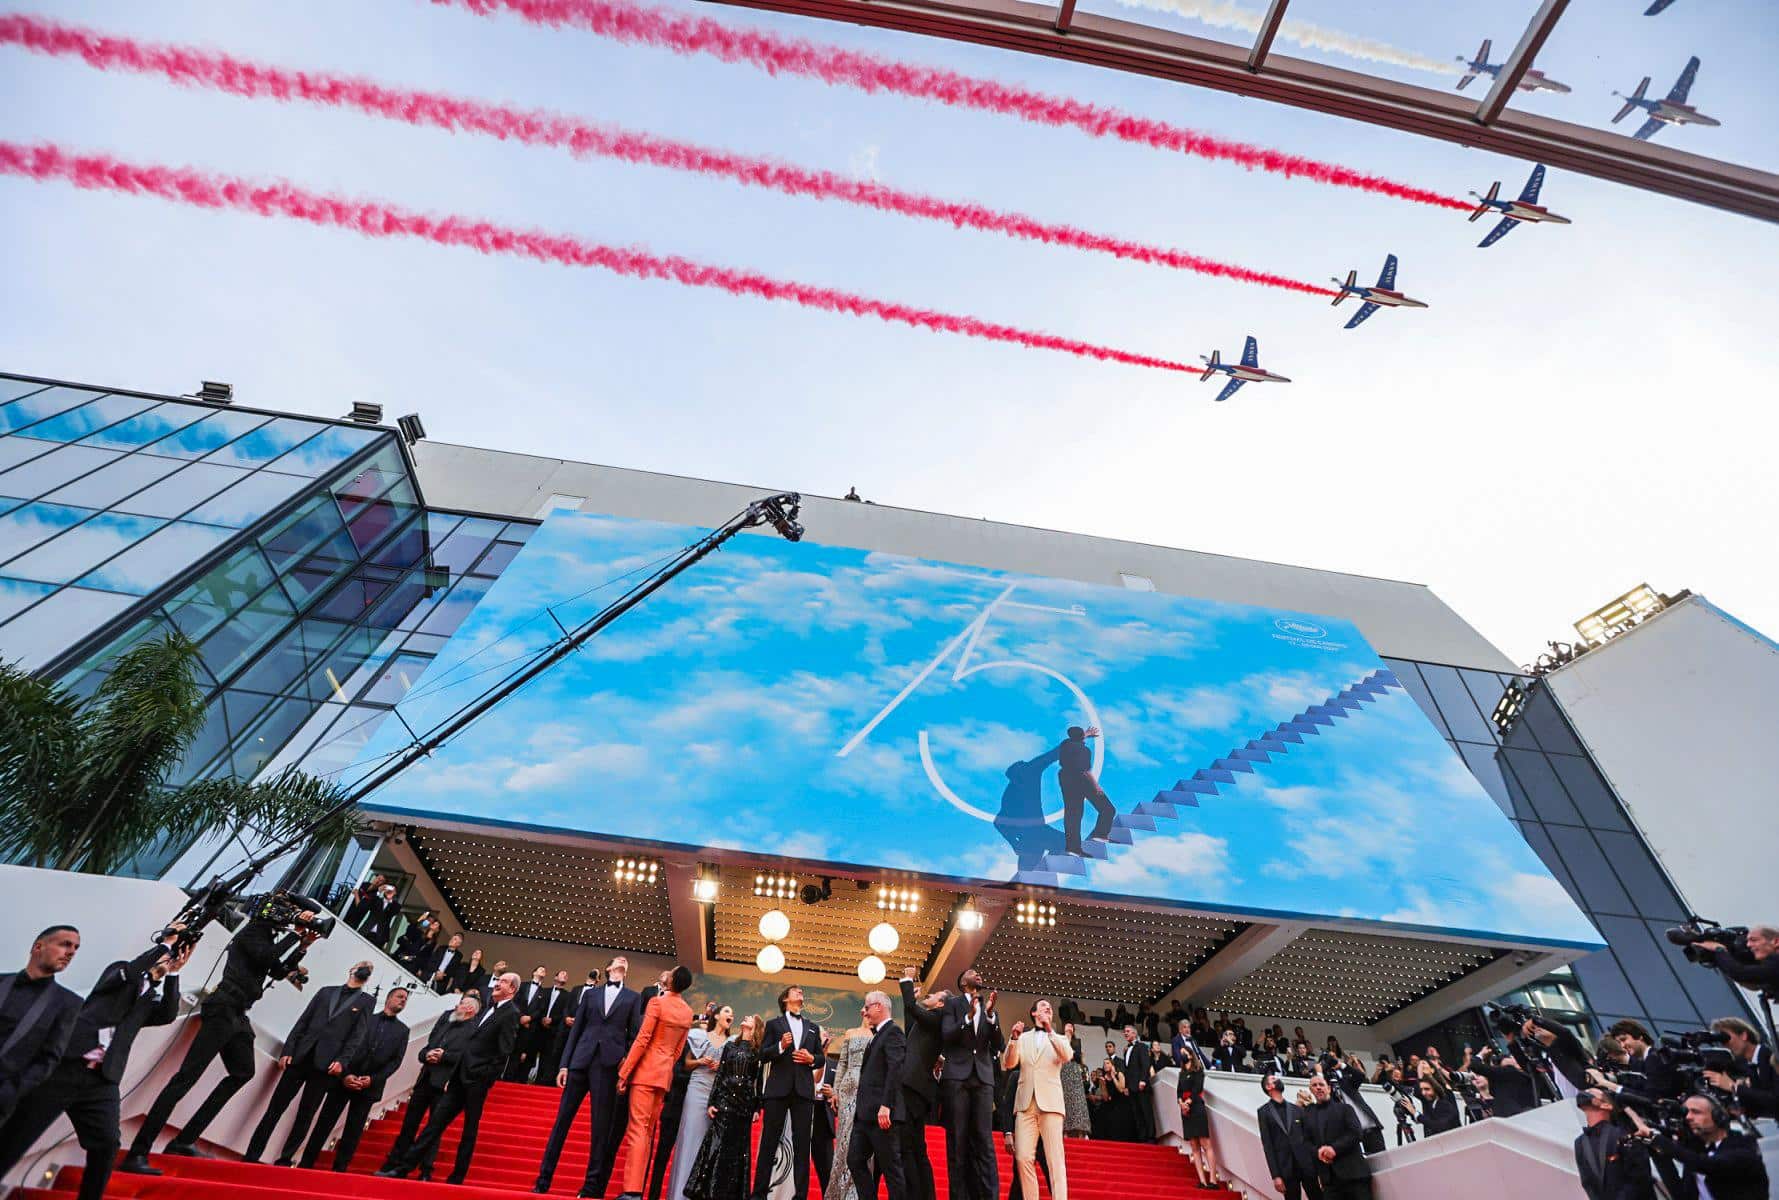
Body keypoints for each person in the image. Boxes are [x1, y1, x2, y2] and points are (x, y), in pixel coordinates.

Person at [122, 899, 319, 1171]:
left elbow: (277, 969)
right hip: (223, 1007)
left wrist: (303, 946)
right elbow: (266, 957)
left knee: (242, 1072)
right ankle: (137, 1153)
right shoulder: (251, 932)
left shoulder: (265, 937)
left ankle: (184, 1141)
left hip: (238, 1014)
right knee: (185, 1079)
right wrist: (296, 934)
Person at [0, 927, 182, 1200]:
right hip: (65, 1067)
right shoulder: (119, 972)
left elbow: (168, 1014)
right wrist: (164, 946)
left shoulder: (147, 1000)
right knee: (17, 1135)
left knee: (107, 1143)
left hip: (101, 1079)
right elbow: (131, 974)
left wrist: (174, 972)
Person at [378, 970, 520, 1184]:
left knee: (469, 1131)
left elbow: (504, 1052)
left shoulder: (511, 1013)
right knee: (434, 1124)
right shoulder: (488, 1009)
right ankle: (403, 1168)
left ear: (513, 989)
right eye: (498, 980)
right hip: (458, 1078)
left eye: (504, 982)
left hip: (476, 1082)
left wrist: (484, 1078)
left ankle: (457, 1177)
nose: (498, 983)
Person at [242, 958, 376, 1164]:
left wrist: (342, 1061)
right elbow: (303, 1021)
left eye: (370, 968)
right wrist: (288, 1050)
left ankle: (285, 1159)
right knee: (275, 1108)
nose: (365, 968)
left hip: (326, 1066)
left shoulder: (366, 1001)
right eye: (362, 965)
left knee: (305, 1115)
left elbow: (356, 1037)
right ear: (352, 968)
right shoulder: (326, 992)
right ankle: (252, 1154)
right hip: (300, 1057)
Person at [534, 954, 642, 1197]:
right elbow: (576, 1029)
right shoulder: (591, 994)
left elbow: (634, 1034)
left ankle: (591, 1187)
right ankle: (543, 1180)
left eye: (625, 961)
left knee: (600, 1129)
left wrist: (625, 1062)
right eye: (618, 959)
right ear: (608, 968)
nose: (622, 960)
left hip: (608, 1065)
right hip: (580, 1061)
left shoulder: (633, 998)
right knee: (562, 1122)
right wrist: (564, 1065)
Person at [297, 985, 411, 1173]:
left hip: (368, 1088)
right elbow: (345, 1046)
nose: (403, 1000)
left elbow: (394, 1063)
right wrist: (345, 1074)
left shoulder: (403, 1031)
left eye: (406, 999)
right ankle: (306, 1163)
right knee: (324, 1123)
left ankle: (340, 1168)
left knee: (354, 1130)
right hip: (343, 1080)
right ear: (389, 999)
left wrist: (372, 1080)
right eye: (400, 996)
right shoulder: (366, 1019)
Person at [614, 965, 696, 1200]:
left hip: (645, 1073)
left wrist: (625, 1073)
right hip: (664, 1075)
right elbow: (679, 1050)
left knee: (637, 1130)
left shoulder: (657, 1003)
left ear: (670, 980)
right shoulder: (687, 1012)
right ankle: (636, 1189)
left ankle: (632, 1190)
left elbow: (642, 1039)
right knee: (648, 1132)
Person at [377, 993, 480, 1179]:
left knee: (434, 1128)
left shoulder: (473, 1031)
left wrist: (445, 1056)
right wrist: (427, 1054)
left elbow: (467, 1059)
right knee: (409, 1124)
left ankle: (426, 1169)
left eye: (462, 1004)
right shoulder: (446, 1022)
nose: (457, 1006)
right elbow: (427, 1047)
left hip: (445, 1084)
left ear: (471, 1010)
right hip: (425, 1079)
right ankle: (394, 1163)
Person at [0, 925, 83, 1130]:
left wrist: (10, 1092)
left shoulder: (68, 1003)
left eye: (75, 948)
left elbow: (49, 1058)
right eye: (65, 944)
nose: (71, 952)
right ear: (38, 946)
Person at [753, 984, 825, 1200]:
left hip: (803, 1092)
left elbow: (820, 1057)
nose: (800, 992)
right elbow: (763, 1055)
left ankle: (800, 1196)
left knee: (802, 1146)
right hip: (777, 1090)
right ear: (785, 999)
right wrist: (781, 1046)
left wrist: (812, 1059)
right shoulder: (774, 1025)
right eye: (796, 990)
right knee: (768, 1143)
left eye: (801, 991)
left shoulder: (812, 1027)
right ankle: (758, 1195)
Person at [684, 1014, 765, 1200]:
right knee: (716, 1146)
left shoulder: (757, 1052)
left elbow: (757, 1082)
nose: (746, 1017)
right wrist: (712, 1102)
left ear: (756, 1027)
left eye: (751, 1018)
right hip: (725, 1102)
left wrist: (756, 1108)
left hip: (743, 1106)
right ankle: (709, 1192)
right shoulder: (730, 1046)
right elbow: (720, 1075)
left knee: (736, 1151)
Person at [1634, 1092, 1768, 1200]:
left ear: (1718, 1116)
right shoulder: (1697, 1146)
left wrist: (1657, 1139)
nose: (1688, 1117)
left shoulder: (1744, 1144)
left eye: (1696, 1112)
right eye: (1686, 1112)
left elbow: (1708, 1164)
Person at [940, 969, 1002, 1200]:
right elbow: (947, 1035)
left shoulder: (989, 1007)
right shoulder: (953, 1004)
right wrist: (967, 1018)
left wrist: (990, 1017)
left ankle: (989, 1195)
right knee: (957, 1140)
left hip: (983, 1078)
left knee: (984, 1140)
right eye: (972, 973)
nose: (978, 975)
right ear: (962, 982)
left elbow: (999, 1043)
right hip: (957, 1076)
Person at [1001, 1000, 1071, 1200]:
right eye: (1042, 1006)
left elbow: (1066, 1055)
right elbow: (1009, 1063)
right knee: (1023, 1158)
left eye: (1049, 1007)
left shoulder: (1058, 1038)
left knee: (1055, 1160)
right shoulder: (1022, 1038)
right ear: (1033, 1013)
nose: (1047, 1008)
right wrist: (1013, 1040)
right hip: (1025, 1105)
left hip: (1050, 1104)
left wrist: (1050, 1029)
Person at [846, 991, 908, 1200]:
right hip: (865, 1116)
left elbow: (895, 1070)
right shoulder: (877, 1035)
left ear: (879, 1007)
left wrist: (886, 1105)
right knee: (854, 1160)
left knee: (892, 1171)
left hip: (883, 1116)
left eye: (867, 1007)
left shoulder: (893, 1033)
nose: (864, 1011)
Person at [668, 1004, 733, 1200]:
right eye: (727, 1011)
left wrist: (721, 1066)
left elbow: (732, 1070)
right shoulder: (698, 1036)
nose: (731, 1015)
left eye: (731, 1013)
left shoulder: (732, 1042)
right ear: (716, 1015)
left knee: (710, 1145)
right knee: (690, 1139)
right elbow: (686, 1064)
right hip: (696, 1090)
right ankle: (680, 1193)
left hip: (718, 1095)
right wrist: (701, 1062)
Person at [897, 969, 947, 1200]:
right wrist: (913, 1002)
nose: (931, 994)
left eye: (935, 994)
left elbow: (910, 1008)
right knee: (914, 1146)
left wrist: (907, 980)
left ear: (940, 1004)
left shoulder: (937, 1019)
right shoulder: (928, 1022)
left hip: (914, 1088)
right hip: (913, 1087)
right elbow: (910, 1031)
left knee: (910, 1146)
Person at [828, 1007, 875, 1200]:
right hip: (847, 1089)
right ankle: (838, 1192)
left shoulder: (878, 1036)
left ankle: (856, 1193)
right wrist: (836, 1091)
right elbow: (842, 1064)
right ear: (862, 1012)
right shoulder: (850, 1033)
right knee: (844, 1140)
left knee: (861, 1139)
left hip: (867, 1090)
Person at [1299, 1075, 1370, 1200]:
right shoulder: (1307, 1115)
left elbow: (1356, 1133)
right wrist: (1318, 1152)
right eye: (1314, 1086)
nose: (1318, 1088)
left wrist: (1334, 1149)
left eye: (1321, 1084)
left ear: (1329, 1088)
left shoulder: (1345, 1108)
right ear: (1311, 1090)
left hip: (1354, 1175)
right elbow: (1306, 1142)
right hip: (1329, 1180)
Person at [1572, 1089, 1652, 1200]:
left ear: (1606, 1105)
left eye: (1592, 1091)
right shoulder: (1579, 1143)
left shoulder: (1625, 1136)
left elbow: (1640, 1181)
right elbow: (1587, 1183)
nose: (1587, 1091)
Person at [1055, 725, 1115, 856]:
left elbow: (1074, 739)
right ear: (1081, 736)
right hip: (1082, 781)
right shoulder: (1084, 750)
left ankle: (1072, 848)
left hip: (1066, 779)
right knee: (1108, 809)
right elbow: (1085, 771)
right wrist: (1096, 786)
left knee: (1072, 815)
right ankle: (1100, 834)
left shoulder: (1065, 745)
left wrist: (1085, 734)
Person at [1256, 1074, 1314, 1200]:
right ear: (1268, 1087)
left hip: (1306, 1165)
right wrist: (1275, 1175)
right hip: (1286, 1169)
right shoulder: (1263, 1112)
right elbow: (1268, 1145)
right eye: (1273, 1079)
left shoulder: (1296, 1109)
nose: (1278, 1079)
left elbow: (1308, 1138)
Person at [1174, 1042, 1215, 1188]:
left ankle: (1212, 1180)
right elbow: (1179, 1090)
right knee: (1194, 1145)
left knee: (1205, 1143)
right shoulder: (1181, 1073)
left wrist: (1188, 1102)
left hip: (1196, 1108)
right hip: (1185, 1110)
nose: (1182, 1054)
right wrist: (1181, 1103)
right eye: (1181, 1052)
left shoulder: (1198, 1071)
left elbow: (1197, 1089)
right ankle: (1202, 1180)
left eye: (1184, 1052)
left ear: (1190, 1055)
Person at [509, 965, 554, 1082]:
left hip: (531, 1027)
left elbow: (541, 1009)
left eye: (545, 970)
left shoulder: (544, 992)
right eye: (540, 969)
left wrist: (529, 1018)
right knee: (510, 1052)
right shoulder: (522, 985)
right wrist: (521, 1017)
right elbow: (515, 1001)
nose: (543, 971)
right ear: (534, 972)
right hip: (515, 1023)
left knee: (525, 1054)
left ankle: (518, 1081)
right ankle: (505, 1078)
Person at [1114, 1024, 1154, 1141]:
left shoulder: (1141, 1046)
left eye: (1128, 1031)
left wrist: (1143, 1080)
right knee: (1137, 1114)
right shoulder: (1126, 1050)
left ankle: (1150, 1137)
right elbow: (1127, 1070)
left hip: (1141, 1086)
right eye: (1124, 1032)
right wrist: (1126, 1086)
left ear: (1134, 1033)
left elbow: (1145, 1064)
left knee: (1146, 1111)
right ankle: (1142, 1138)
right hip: (1131, 1087)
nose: (1125, 1033)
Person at [534, 969, 574, 1081]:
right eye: (562, 973)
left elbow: (564, 1013)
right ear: (555, 977)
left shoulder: (568, 995)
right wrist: (542, 1018)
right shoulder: (544, 991)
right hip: (538, 1028)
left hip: (554, 1031)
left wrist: (552, 1020)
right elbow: (538, 1007)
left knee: (549, 1058)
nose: (565, 975)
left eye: (566, 975)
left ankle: (542, 1083)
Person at [1058, 1023, 1091, 1139]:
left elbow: (1078, 1057)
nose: (1069, 1028)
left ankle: (1082, 1132)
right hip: (1063, 1071)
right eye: (1067, 1027)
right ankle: (1065, 1131)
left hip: (1075, 1072)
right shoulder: (1060, 1040)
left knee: (1078, 1103)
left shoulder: (1077, 1042)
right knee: (1065, 1101)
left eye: (1071, 1027)